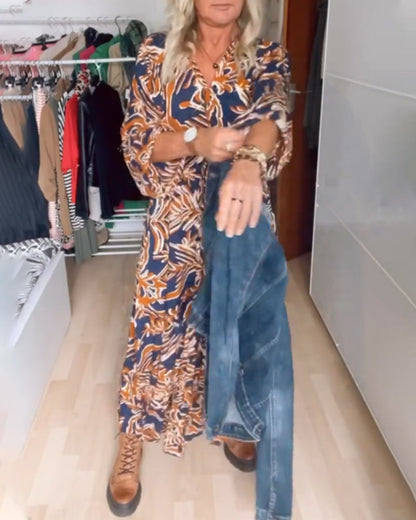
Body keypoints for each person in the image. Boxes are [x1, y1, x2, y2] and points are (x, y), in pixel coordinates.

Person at [107, 0, 292, 517]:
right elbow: (137, 141)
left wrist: (250, 161)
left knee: (234, 326)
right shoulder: (155, 54)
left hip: (237, 217)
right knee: (155, 328)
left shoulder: (267, 56)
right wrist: (195, 140)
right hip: (175, 223)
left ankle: (232, 420)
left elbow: (274, 114)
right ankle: (132, 437)